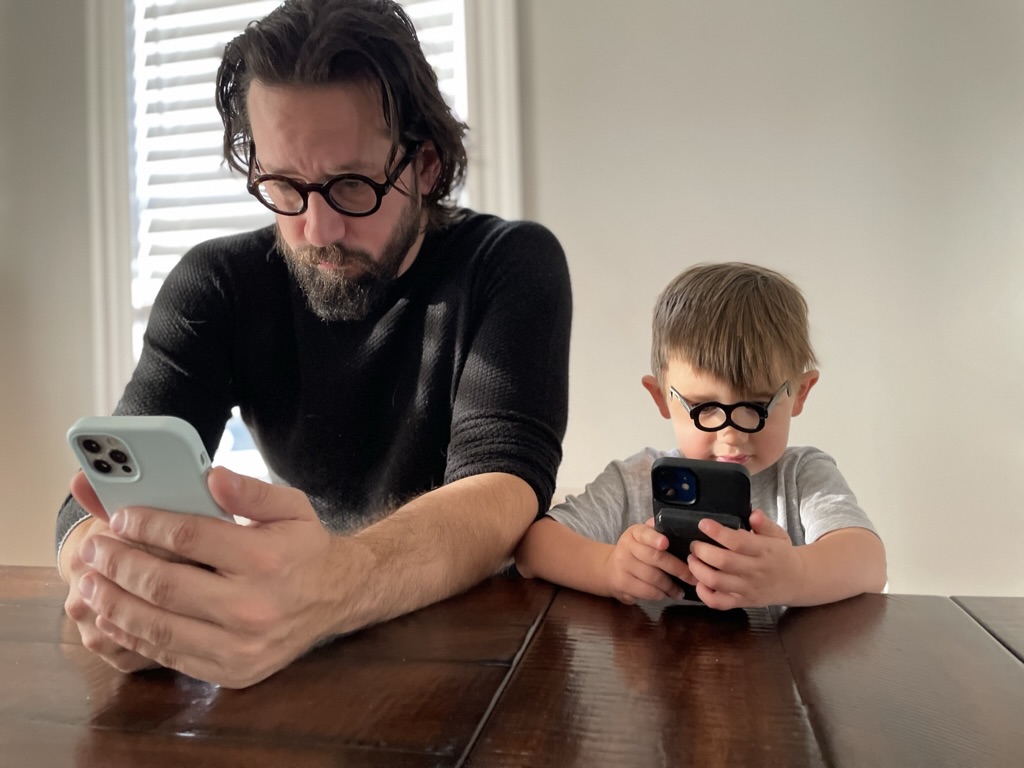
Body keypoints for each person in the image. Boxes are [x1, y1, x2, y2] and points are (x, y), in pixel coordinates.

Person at [56, 0, 571, 689]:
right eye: (284, 186)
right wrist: (114, 583)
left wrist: (336, 583)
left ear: (424, 164)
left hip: (478, 654)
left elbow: (504, 487)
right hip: (302, 656)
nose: (317, 228)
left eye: (352, 186)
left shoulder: (510, 263)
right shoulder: (218, 283)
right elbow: (101, 487)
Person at [515, 262, 885, 609]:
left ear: (800, 393)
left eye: (757, 405)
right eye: (704, 407)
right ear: (661, 397)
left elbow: (869, 562)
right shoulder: (636, 481)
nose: (732, 435)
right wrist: (608, 567)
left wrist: (796, 574)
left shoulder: (803, 476)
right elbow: (534, 548)